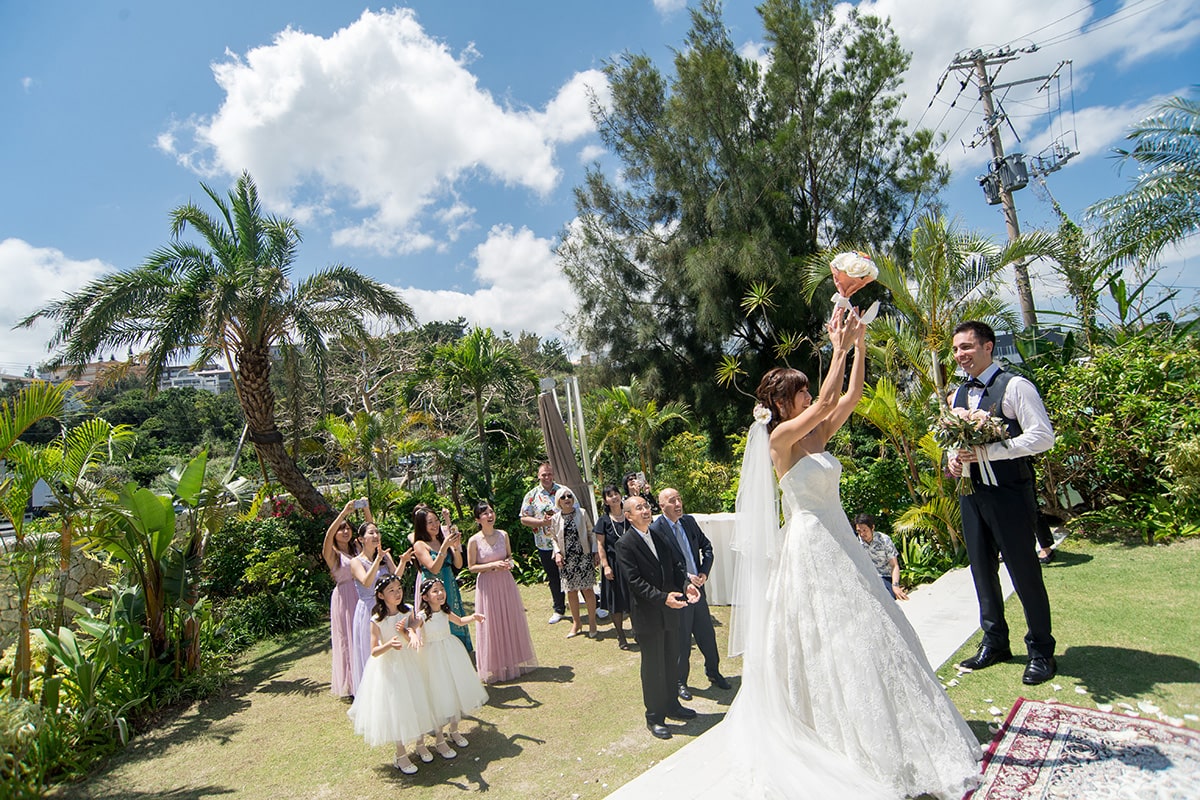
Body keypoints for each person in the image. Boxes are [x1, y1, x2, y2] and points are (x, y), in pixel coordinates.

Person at [704, 307, 981, 798]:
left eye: (808, 390)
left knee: (873, 628)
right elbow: (829, 395)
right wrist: (836, 346)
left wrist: (861, 342)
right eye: (802, 392)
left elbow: (848, 396)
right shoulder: (780, 439)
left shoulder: (815, 434)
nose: (811, 396)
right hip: (811, 546)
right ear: (783, 402)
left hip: (840, 540)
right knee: (826, 636)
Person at [948, 320, 1057, 685]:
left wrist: (990, 452)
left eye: (967, 347)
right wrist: (953, 456)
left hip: (1011, 494)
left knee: (1024, 572)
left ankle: (1041, 649)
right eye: (956, 349)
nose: (960, 355)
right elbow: (958, 440)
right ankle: (995, 642)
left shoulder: (1016, 386)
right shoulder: (959, 393)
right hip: (971, 494)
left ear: (988, 347)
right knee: (981, 570)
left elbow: (1043, 437)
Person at [615, 494, 699, 739]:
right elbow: (634, 582)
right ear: (628, 516)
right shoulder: (625, 544)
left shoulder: (660, 536)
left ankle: (672, 705)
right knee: (653, 668)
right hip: (648, 615)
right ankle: (655, 717)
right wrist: (663, 598)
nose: (645, 511)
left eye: (646, 506)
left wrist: (686, 586)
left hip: (670, 612)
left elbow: (676, 567)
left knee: (671, 659)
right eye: (638, 508)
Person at [346, 574, 433, 774]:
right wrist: (389, 644)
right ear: (380, 595)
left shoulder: (409, 609)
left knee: (418, 699)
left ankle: (420, 743)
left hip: (410, 661)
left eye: (399, 588)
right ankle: (400, 754)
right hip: (390, 667)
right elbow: (374, 651)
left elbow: (413, 627)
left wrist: (410, 633)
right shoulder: (377, 619)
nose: (397, 593)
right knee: (397, 707)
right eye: (391, 591)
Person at [651, 487, 731, 698]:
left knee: (707, 635)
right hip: (679, 593)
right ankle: (680, 682)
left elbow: (707, 547)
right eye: (672, 501)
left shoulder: (689, 522)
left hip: (699, 591)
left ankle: (713, 672)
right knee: (682, 641)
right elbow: (663, 565)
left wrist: (703, 572)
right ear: (662, 506)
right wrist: (687, 579)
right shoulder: (656, 529)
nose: (678, 504)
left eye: (679, 499)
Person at [414, 577, 489, 758]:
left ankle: (454, 730)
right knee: (439, 696)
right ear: (425, 597)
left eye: (441, 589)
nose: (440, 593)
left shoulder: (445, 611)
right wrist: (415, 635)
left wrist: (473, 617)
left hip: (450, 651)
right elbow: (412, 626)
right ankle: (439, 739)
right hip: (432, 657)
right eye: (435, 591)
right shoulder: (423, 616)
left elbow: (460, 621)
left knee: (456, 690)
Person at [467, 501, 538, 683]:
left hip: (505, 582)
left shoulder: (503, 535)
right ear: (478, 519)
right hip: (487, 585)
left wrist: (508, 563)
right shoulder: (474, 540)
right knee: (491, 623)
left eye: (491, 511)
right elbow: (471, 567)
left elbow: (509, 556)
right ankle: (495, 665)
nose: (490, 515)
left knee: (509, 619)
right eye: (484, 513)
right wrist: (491, 566)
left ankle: (512, 660)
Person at [349, 505, 408, 695]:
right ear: (360, 539)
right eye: (371, 533)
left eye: (377, 532)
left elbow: (395, 578)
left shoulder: (385, 556)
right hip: (368, 609)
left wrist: (403, 562)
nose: (376, 536)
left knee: (392, 647)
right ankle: (372, 693)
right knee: (372, 650)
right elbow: (366, 582)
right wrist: (377, 560)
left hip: (388, 607)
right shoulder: (356, 561)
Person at [413, 506, 473, 655]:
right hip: (433, 586)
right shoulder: (420, 545)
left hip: (449, 584)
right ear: (422, 526)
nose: (435, 525)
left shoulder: (442, 539)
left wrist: (455, 547)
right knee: (436, 618)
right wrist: (444, 548)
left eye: (436, 521)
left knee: (454, 616)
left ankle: (459, 653)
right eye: (430, 522)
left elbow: (458, 564)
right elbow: (433, 568)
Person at [322, 499, 361, 697]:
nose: (345, 532)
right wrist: (343, 513)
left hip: (361, 593)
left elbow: (372, 533)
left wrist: (367, 510)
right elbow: (328, 537)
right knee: (347, 638)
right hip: (344, 596)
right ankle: (352, 683)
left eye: (347, 529)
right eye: (341, 529)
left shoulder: (356, 549)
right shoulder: (332, 554)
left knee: (362, 635)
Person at [548, 486, 600, 639]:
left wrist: (595, 551)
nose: (566, 499)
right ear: (558, 501)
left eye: (569, 496)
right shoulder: (555, 518)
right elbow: (554, 538)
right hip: (567, 559)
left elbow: (591, 532)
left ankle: (592, 622)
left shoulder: (582, 513)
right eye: (563, 497)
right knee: (571, 592)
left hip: (583, 556)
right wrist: (557, 553)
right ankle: (576, 623)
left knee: (588, 590)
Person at [519, 462, 567, 624]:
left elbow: (576, 509)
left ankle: (592, 603)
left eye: (549, 474)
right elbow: (524, 518)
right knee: (554, 577)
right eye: (543, 475)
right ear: (538, 476)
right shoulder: (532, 495)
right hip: (545, 543)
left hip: (566, 541)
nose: (547, 477)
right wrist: (541, 523)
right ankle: (559, 608)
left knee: (573, 573)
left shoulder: (563, 491)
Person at [594, 485, 633, 650]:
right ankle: (621, 635)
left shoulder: (629, 516)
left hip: (631, 564)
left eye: (616, 494)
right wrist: (606, 566)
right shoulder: (603, 521)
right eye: (610, 495)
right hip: (613, 564)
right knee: (615, 601)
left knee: (634, 599)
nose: (614, 497)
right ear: (605, 500)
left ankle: (638, 632)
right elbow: (600, 545)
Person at [852, 513, 909, 600]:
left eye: (864, 530)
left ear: (872, 527)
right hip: (869, 578)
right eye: (859, 531)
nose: (862, 534)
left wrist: (895, 586)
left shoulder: (884, 540)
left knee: (888, 598)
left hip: (885, 576)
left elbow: (894, 565)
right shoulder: (857, 544)